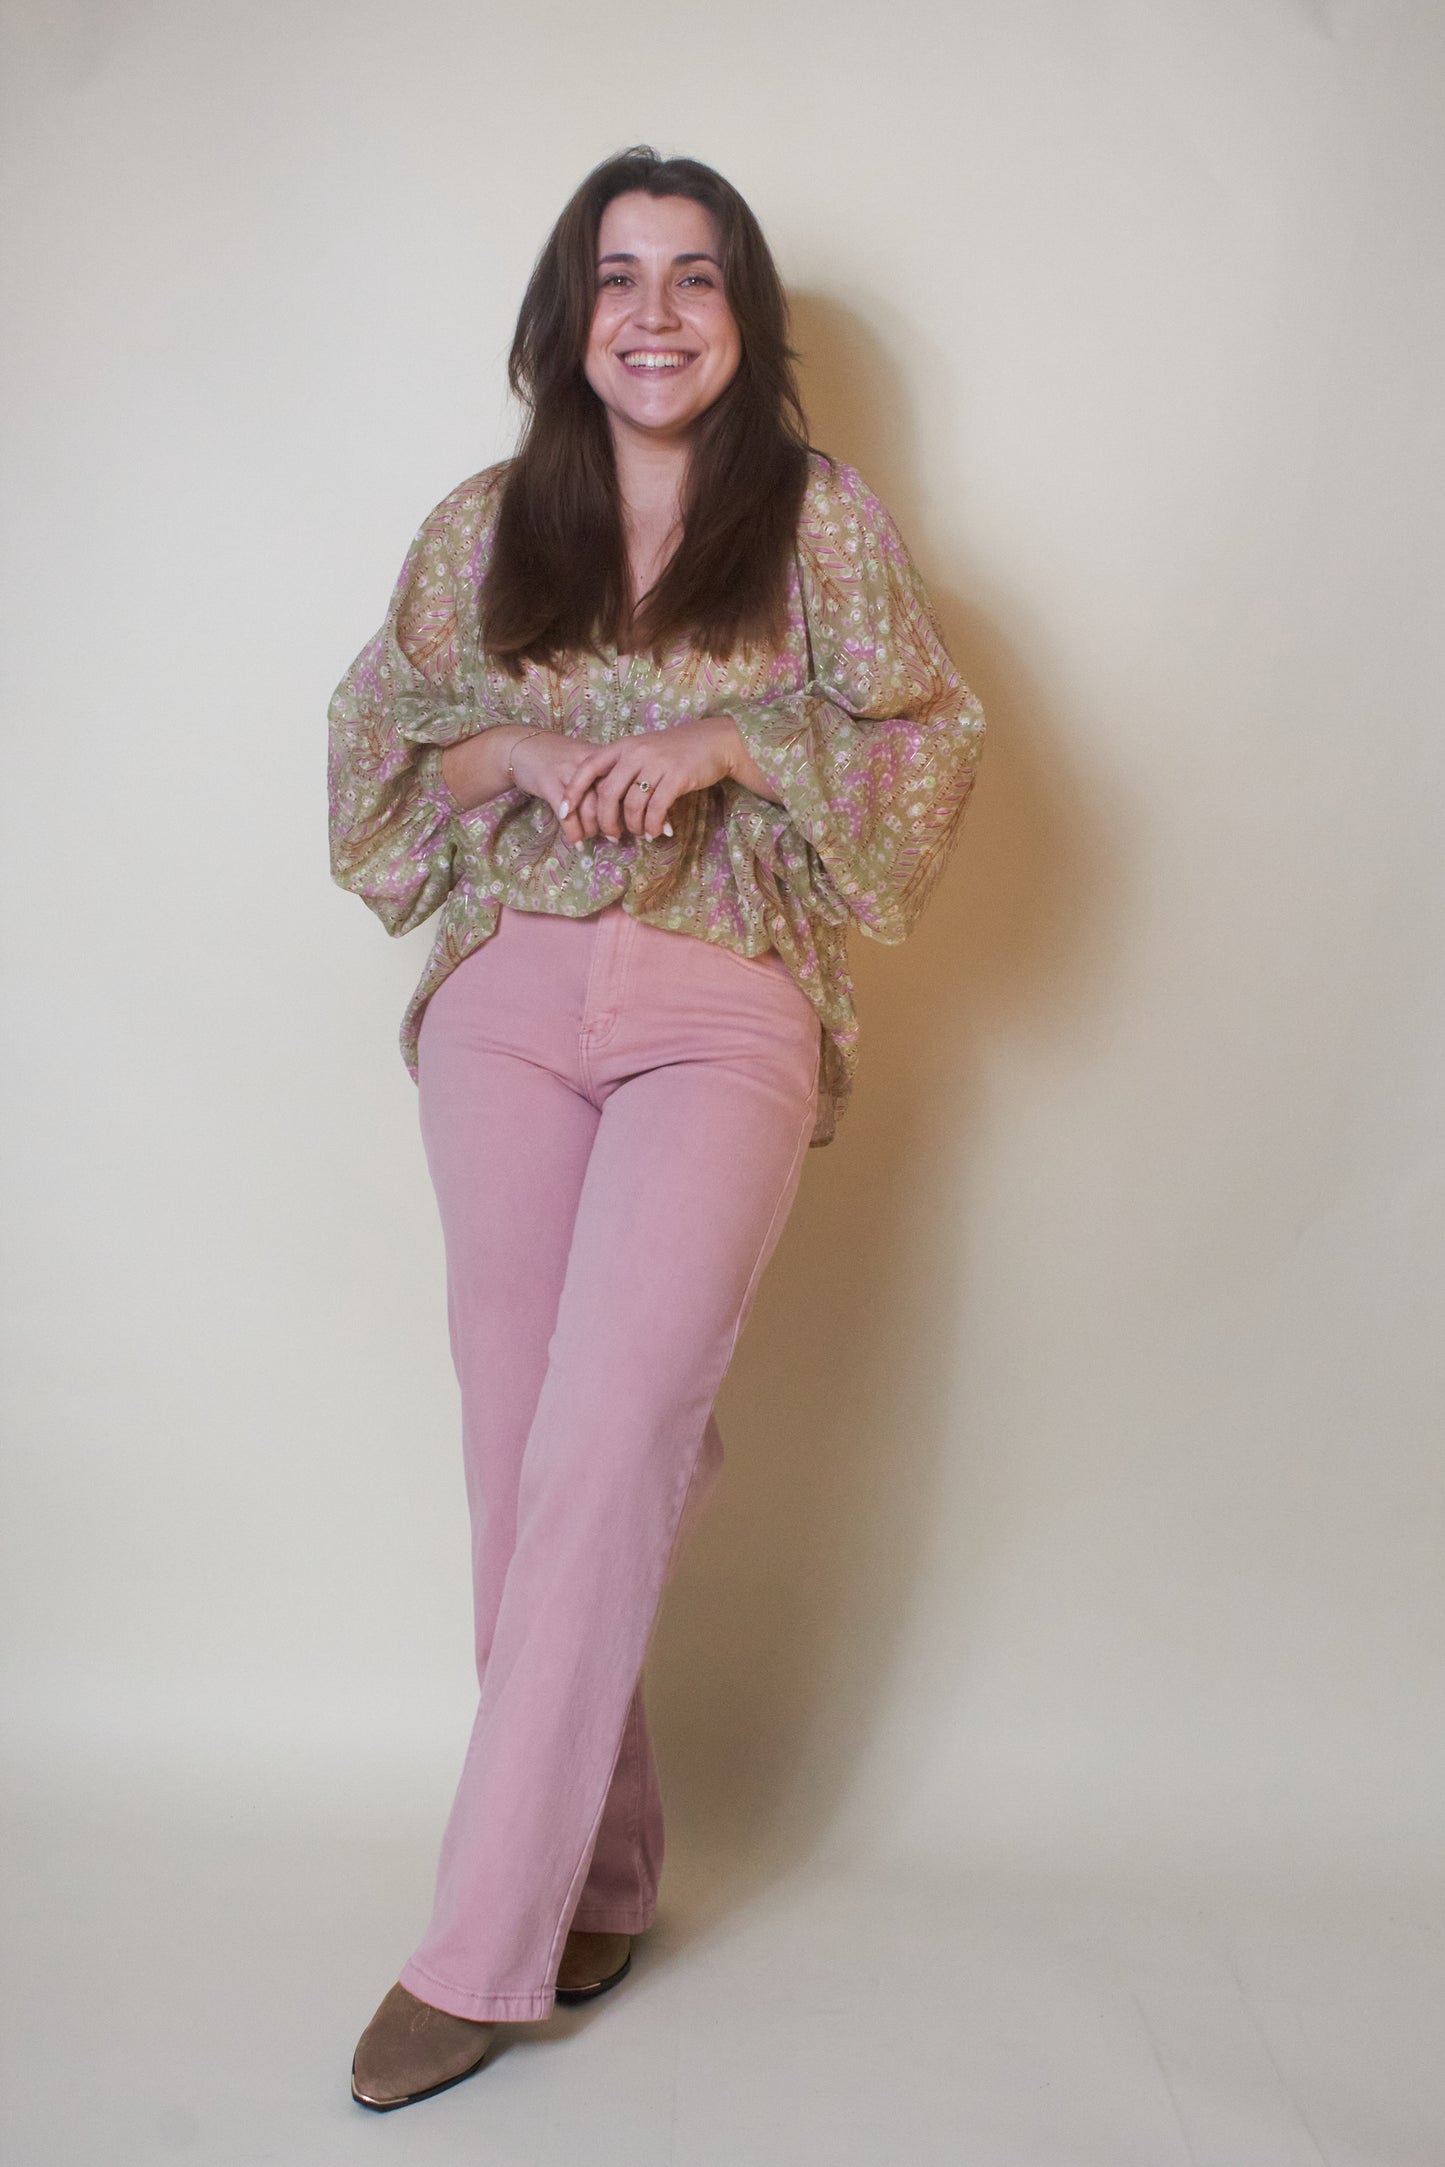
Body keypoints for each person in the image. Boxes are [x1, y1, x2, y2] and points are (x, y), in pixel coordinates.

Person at [328, 144, 986, 2111]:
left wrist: (728, 741)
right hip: (509, 998)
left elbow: (925, 745)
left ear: (743, 318)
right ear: (568, 316)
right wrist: (516, 749)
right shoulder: (480, 527)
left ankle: (480, 1946)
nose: (655, 312)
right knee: (518, 1450)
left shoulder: (818, 520)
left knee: (618, 1425)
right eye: (618, 276)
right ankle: (603, 1874)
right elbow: (373, 754)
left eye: (696, 277)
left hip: (725, 994)